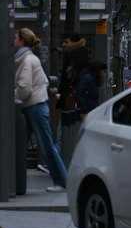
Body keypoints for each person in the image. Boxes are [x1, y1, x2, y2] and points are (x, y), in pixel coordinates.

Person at [14, 29, 68, 191]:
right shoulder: (28, 59)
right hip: (33, 106)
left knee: (46, 146)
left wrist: (12, 98)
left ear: (22, 41)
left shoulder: (27, 60)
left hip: (34, 107)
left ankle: (62, 181)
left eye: (16, 37)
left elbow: (25, 87)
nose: (13, 40)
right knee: (18, 143)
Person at [57, 31, 90, 166]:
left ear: (74, 42)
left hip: (73, 99)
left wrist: (65, 94)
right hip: (73, 98)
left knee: (63, 130)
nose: (64, 45)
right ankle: (57, 159)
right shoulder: (78, 55)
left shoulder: (76, 57)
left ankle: (56, 160)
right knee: (66, 130)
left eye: (67, 42)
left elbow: (71, 79)